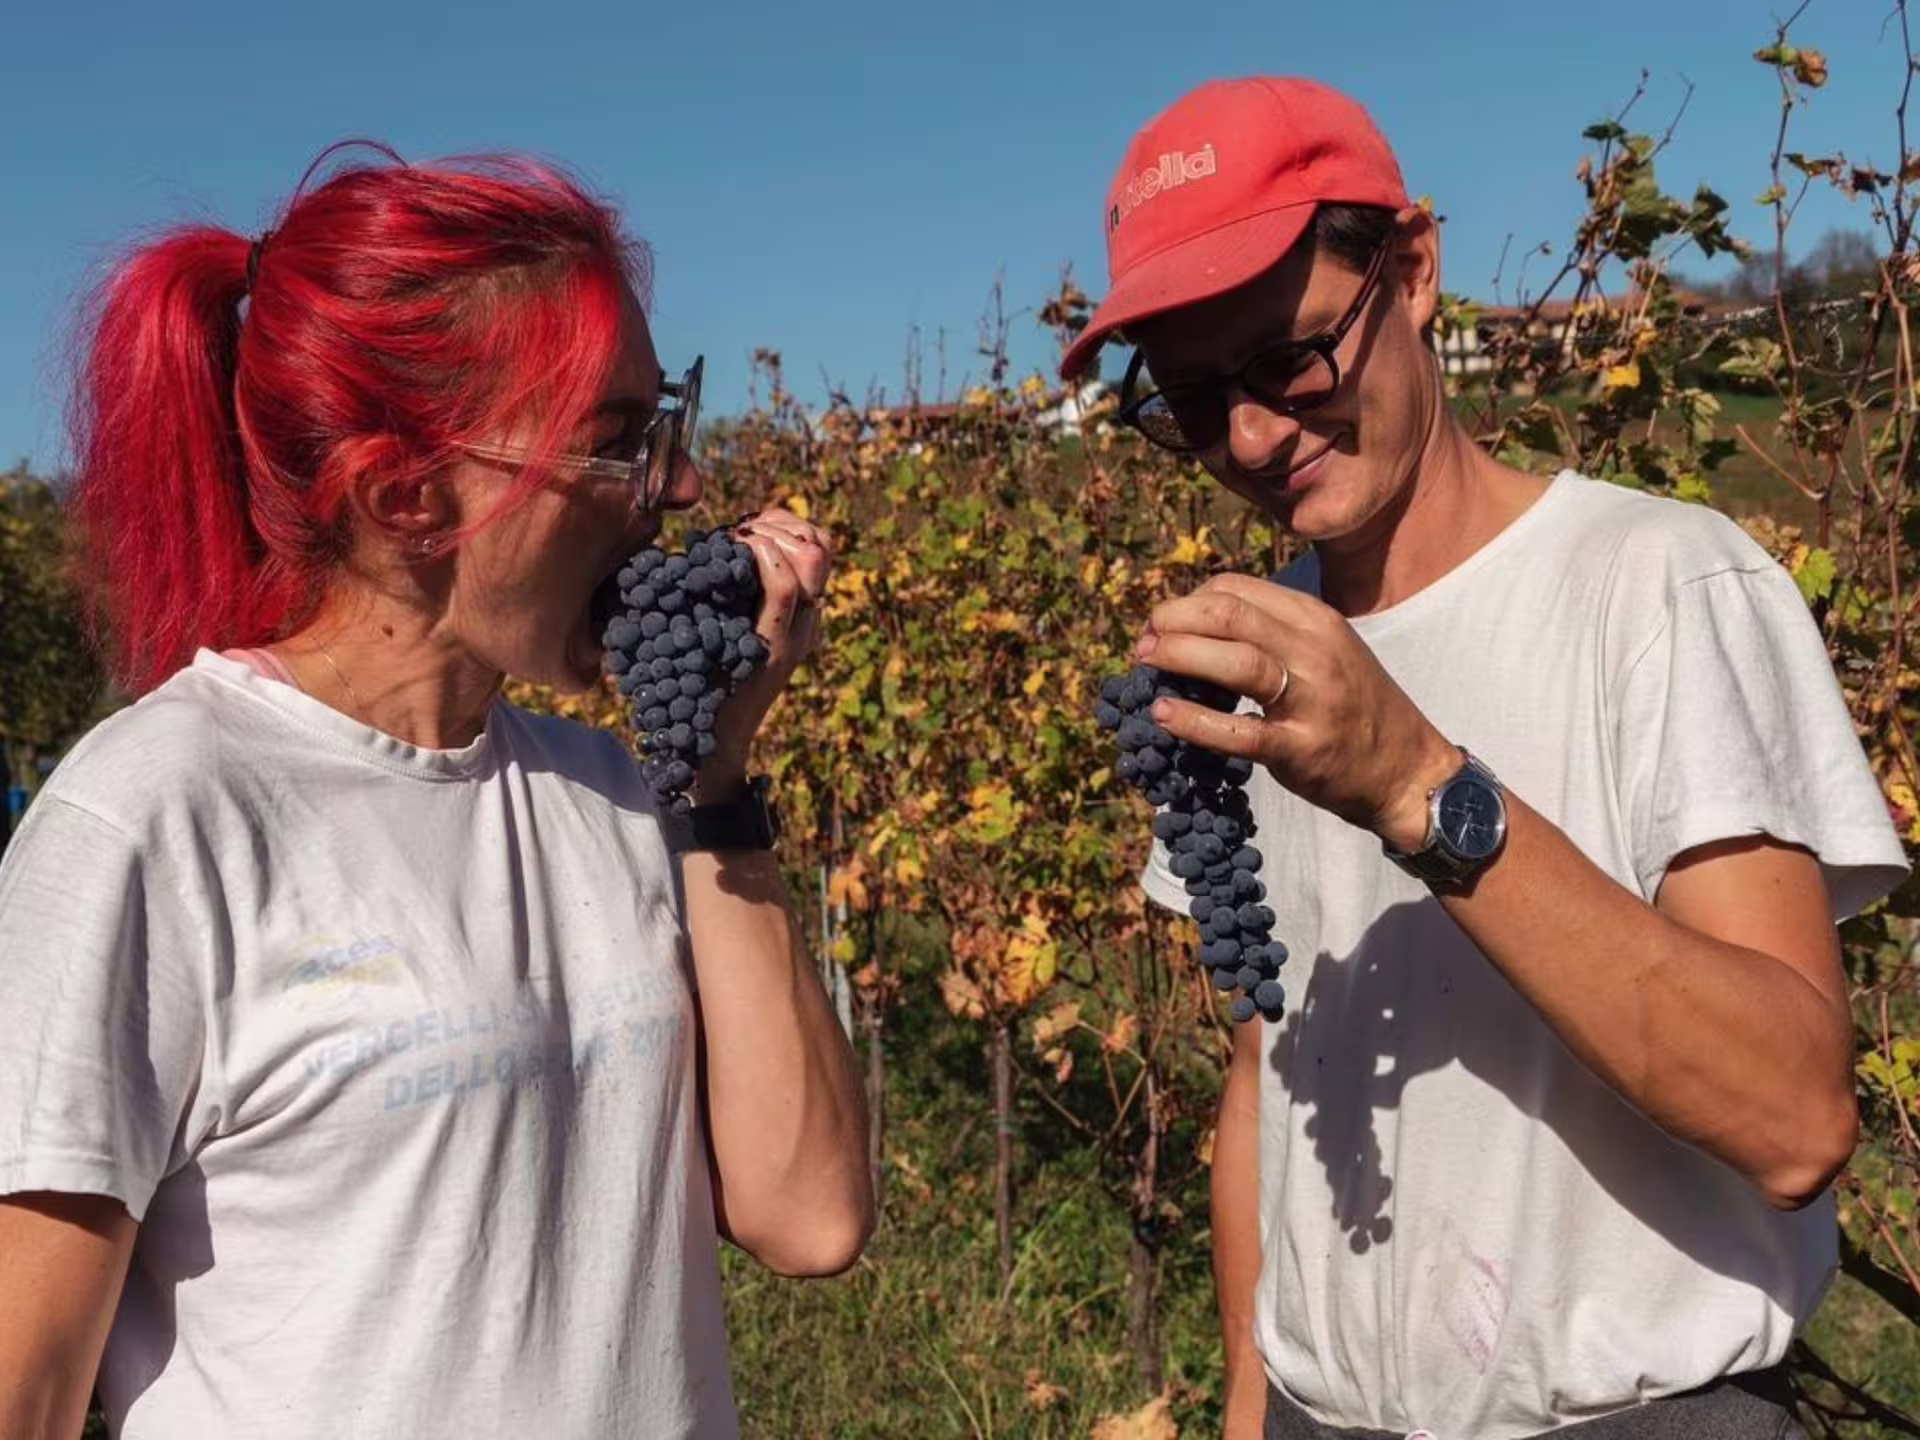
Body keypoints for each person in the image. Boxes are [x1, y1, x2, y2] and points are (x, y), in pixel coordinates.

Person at [1060, 77, 1908, 1440]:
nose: (1255, 436)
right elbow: (1264, 1072)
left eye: (1288, 359)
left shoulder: (1661, 590)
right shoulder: (1259, 655)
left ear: (1414, 272)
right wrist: (1247, 1402)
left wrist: (1417, 788)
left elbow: (1797, 1115)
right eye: (1198, 400)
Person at [0, 147, 871, 1440]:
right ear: (405, 498)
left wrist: (720, 781)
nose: (681, 490)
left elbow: (811, 1213)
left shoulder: (621, 794)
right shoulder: (154, 825)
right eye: (620, 443)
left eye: (664, 425)